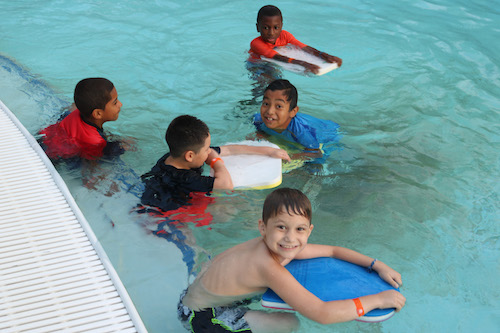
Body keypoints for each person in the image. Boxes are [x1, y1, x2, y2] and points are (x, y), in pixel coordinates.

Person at [178, 188, 406, 332]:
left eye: (300, 229)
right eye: (281, 227)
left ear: (309, 230)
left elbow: (334, 251)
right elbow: (322, 313)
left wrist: (377, 265)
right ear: (262, 227)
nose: (290, 237)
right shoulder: (266, 265)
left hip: (200, 293)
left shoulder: (280, 245)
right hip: (202, 317)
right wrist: (375, 300)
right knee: (289, 323)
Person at [140, 114, 290, 213]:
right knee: (233, 209)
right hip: (164, 214)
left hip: (150, 195)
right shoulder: (186, 178)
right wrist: (215, 161)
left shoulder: (172, 156)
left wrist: (267, 151)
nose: (209, 151)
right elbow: (226, 184)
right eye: (206, 149)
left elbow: (228, 150)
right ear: (190, 155)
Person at [39, 77, 125, 161]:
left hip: (43, 137)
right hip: (49, 156)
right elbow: (91, 165)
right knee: (120, 148)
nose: (120, 104)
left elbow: (74, 105)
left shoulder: (76, 111)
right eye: (115, 102)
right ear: (98, 114)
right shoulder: (95, 141)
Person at [249, 5, 342, 74]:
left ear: (281, 26)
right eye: (265, 28)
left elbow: (304, 47)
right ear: (258, 27)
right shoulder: (256, 43)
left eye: (276, 27)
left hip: (275, 63)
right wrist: (304, 64)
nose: (271, 33)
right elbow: (276, 57)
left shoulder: (285, 35)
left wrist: (325, 55)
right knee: (263, 86)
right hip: (257, 65)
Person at [253, 79, 340, 153]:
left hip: (331, 134)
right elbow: (260, 132)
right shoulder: (258, 120)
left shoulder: (300, 131)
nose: (270, 111)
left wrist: (292, 158)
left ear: (293, 112)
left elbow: (315, 152)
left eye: (279, 106)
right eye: (266, 103)